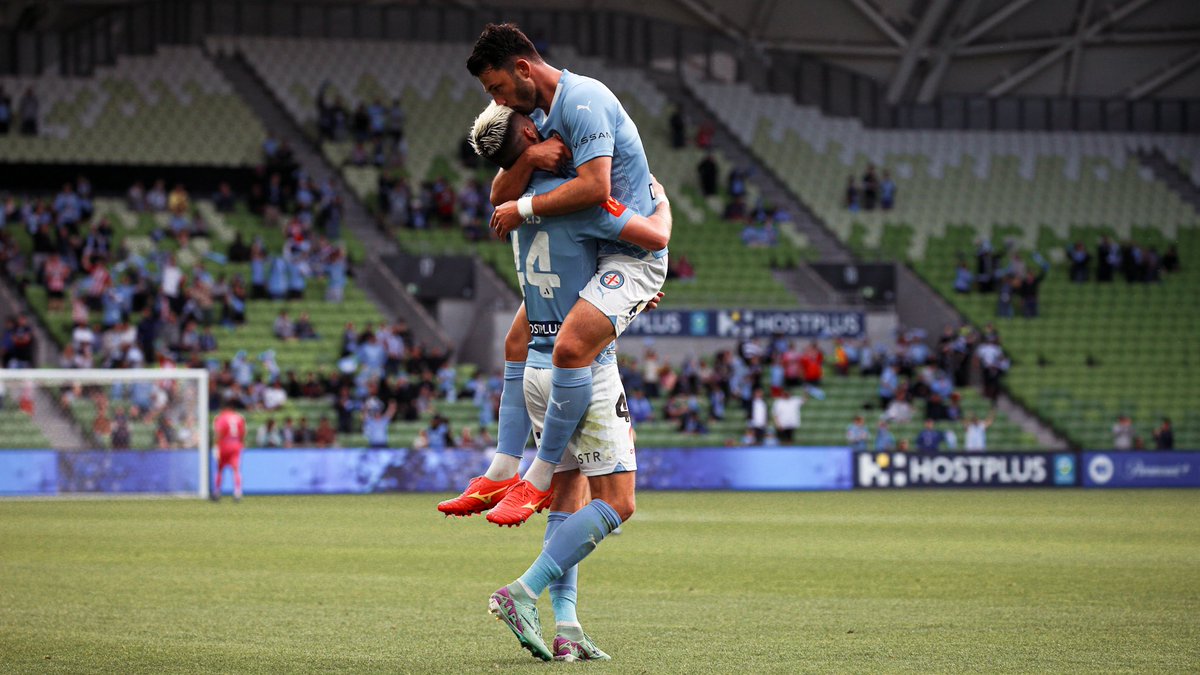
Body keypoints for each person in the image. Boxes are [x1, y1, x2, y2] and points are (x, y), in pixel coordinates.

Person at [439, 101, 674, 663]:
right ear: (531, 136)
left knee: (569, 497)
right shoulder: (578, 199)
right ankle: (521, 591)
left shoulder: (520, 210)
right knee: (617, 503)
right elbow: (655, 237)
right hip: (582, 373)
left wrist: (622, 293)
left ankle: (567, 624)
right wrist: (661, 199)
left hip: (538, 369)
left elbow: (522, 330)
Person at [463, 24, 669, 534]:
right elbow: (498, 194)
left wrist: (526, 205)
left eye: (496, 89)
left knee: (569, 349)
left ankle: (535, 473)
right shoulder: (533, 118)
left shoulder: (584, 100)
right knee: (518, 337)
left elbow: (596, 187)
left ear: (523, 69)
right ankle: (504, 467)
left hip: (628, 248)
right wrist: (529, 158)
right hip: (595, 250)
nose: (498, 101)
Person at [212, 405, 246, 502]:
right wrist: (241, 443)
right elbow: (243, 432)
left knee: (220, 469)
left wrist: (216, 445)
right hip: (236, 444)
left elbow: (219, 432)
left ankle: (217, 492)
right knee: (236, 469)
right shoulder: (239, 417)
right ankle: (238, 492)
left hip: (224, 444)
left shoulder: (221, 418)